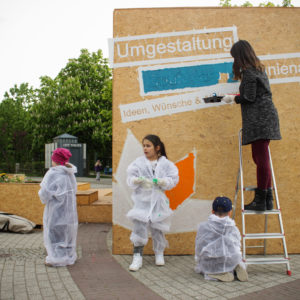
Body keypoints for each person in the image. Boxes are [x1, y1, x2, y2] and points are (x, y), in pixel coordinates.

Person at [222, 40, 281, 211]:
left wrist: (233, 99)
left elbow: (249, 97)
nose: (235, 61)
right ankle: (267, 199)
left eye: (235, 57)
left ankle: (262, 199)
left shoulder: (249, 73)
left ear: (240, 56)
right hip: (265, 118)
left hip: (260, 120)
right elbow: (252, 94)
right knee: (261, 158)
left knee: (261, 159)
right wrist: (235, 96)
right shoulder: (259, 69)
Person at [126, 134, 179, 271]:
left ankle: (159, 253)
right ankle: (137, 257)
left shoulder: (166, 164)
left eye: (148, 146)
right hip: (142, 201)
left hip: (158, 202)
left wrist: (163, 182)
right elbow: (130, 177)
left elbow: (173, 179)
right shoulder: (138, 162)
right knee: (139, 227)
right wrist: (136, 180)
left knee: (158, 228)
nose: (145, 148)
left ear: (157, 147)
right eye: (143, 145)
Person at [38, 148, 78, 267]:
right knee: (67, 234)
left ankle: (56, 258)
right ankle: (68, 255)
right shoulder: (70, 173)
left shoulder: (53, 173)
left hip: (56, 210)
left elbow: (44, 193)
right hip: (69, 211)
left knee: (54, 233)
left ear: (55, 159)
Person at [195, 196, 248, 282]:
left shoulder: (204, 227)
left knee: (204, 262)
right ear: (230, 213)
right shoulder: (233, 228)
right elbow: (237, 245)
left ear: (212, 211)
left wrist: (199, 258)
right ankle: (235, 266)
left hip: (212, 261)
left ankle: (216, 272)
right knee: (232, 252)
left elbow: (199, 247)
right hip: (230, 259)